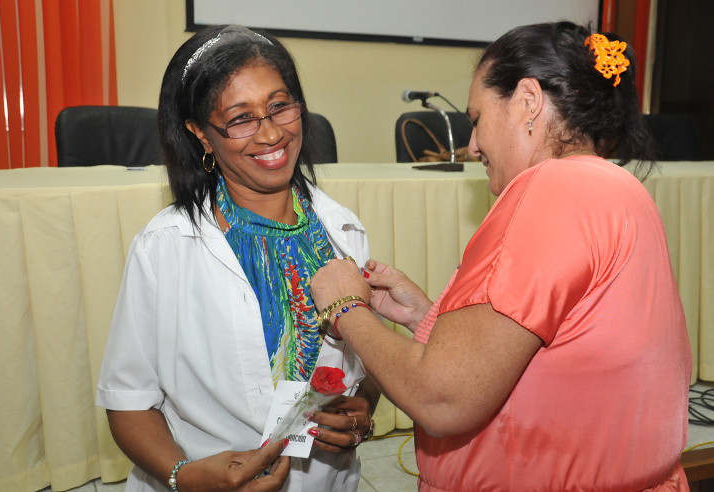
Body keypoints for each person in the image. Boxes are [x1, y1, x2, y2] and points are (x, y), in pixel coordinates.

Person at [310, 21, 691, 491]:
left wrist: (346, 307)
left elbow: (442, 401)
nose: (472, 147)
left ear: (528, 101)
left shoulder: (551, 188)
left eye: (475, 120)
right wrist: (428, 318)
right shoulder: (617, 187)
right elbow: (562, 357)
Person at [96, 25, 378, 492]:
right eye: (240, 118)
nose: (270, 133)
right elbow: (128, 402)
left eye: (279, 106)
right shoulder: (165, 247)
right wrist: (182, 475)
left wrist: (363, 407)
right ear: (201, 134)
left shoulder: (343, 232)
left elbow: (367, 365)